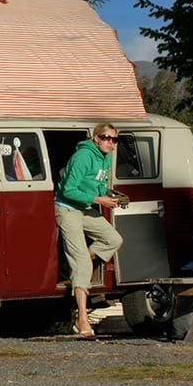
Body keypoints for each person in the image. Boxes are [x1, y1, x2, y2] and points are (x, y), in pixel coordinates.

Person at [54, 123, 124, 338]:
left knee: (113, 239)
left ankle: (79, 262)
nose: (109, 142)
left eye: (114, 139)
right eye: (105, 137)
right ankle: (82, 319)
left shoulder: (105, 156)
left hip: (86, 208)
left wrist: (110, 196)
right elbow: (68, 189)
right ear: (95, 138)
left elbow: (99, 183)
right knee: (82, 263)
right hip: (68, 208)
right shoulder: (83, 156)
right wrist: (97, 199)